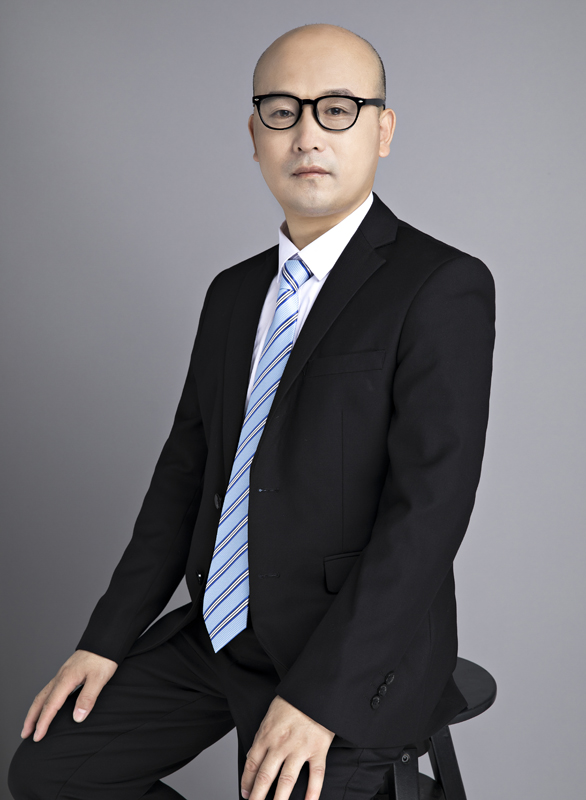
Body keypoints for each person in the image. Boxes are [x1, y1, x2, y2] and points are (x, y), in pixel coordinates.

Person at [8, 22, 495, 800]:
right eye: (282, 110)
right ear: (255, 134)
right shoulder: (233, 294)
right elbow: (184, 476)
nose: (308, 134)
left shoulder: (440, 285)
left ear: (382, 130)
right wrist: (105, 640)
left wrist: (321, 698)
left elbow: (429, 516)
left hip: (351, 649)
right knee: (50, 771)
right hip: (227, 632)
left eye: (337, 108)